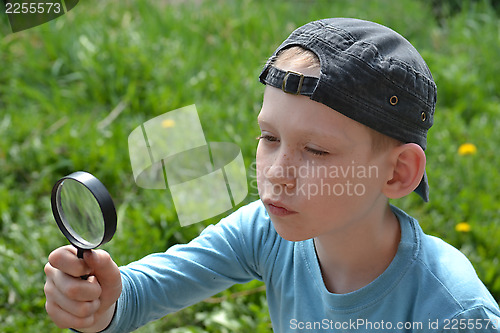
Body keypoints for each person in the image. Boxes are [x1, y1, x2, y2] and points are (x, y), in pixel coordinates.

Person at [44, 18, 500, 332]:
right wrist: (99, 304)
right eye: (269, 138)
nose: (276, 176)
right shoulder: (266, 232)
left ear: (398, 173)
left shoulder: (454, 312)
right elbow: (136, 296)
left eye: (317, 150)